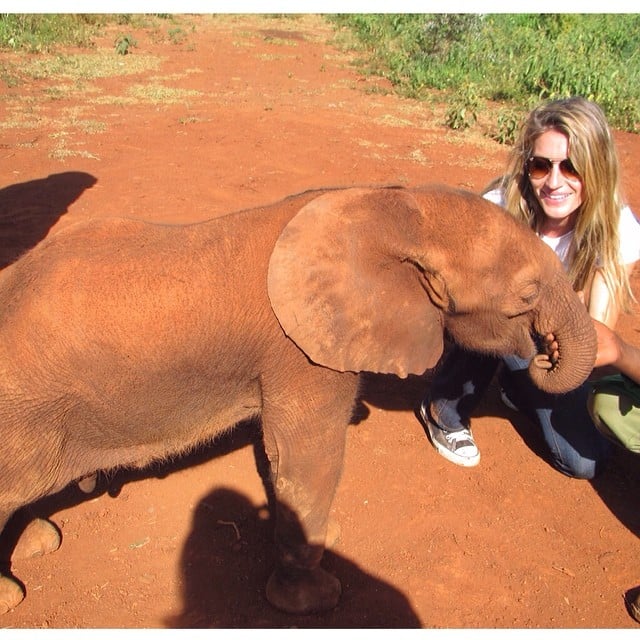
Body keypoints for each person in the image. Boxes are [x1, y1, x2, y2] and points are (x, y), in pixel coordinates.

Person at [419, 96, 640, 479]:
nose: (554, 182)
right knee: (491, 306)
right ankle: (445, 406)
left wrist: (567, 346)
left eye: (572, 167)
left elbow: (591, 340)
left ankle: (518, 386)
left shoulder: (617, 229)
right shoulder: (499, 208)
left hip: (550, 338)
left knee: (585, 463)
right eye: (541, 166)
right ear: (527, 167)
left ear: (597, 168)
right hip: (491, 322)